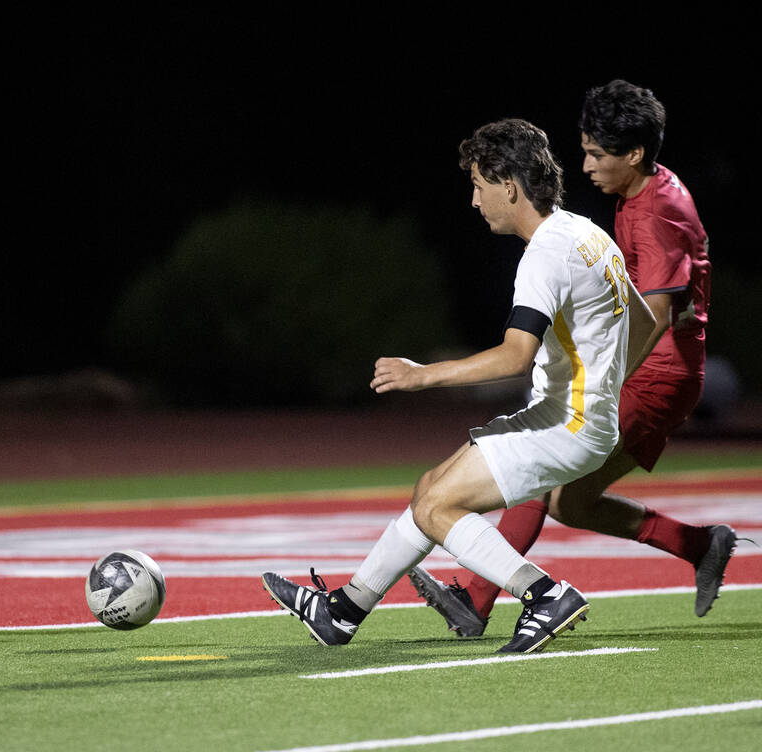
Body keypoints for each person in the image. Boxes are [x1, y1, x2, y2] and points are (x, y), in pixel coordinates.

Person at [263, 118, 655, 653]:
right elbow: (648, 321)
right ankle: (345, 611)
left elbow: (516, 356)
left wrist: (424, 374)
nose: (474, 200)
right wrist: (606, 385)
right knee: (431, 489)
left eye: (478, 185)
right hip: (578, 417)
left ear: (509, 187)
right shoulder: (587, 233)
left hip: (567, 424)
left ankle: (543, 594)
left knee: (437, 510)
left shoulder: (544, 253)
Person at [408, 80, 731, 638]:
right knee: (571, 502)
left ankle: (477, 601)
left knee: (541, 465)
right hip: (648, 364)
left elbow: (652, 319)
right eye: (584, 150)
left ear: (633, 154)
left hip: (655, 372)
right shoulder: (646, 190)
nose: (584, 166)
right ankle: (699, 544)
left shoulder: (655, 213)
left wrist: (594, 385)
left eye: (596, 154)